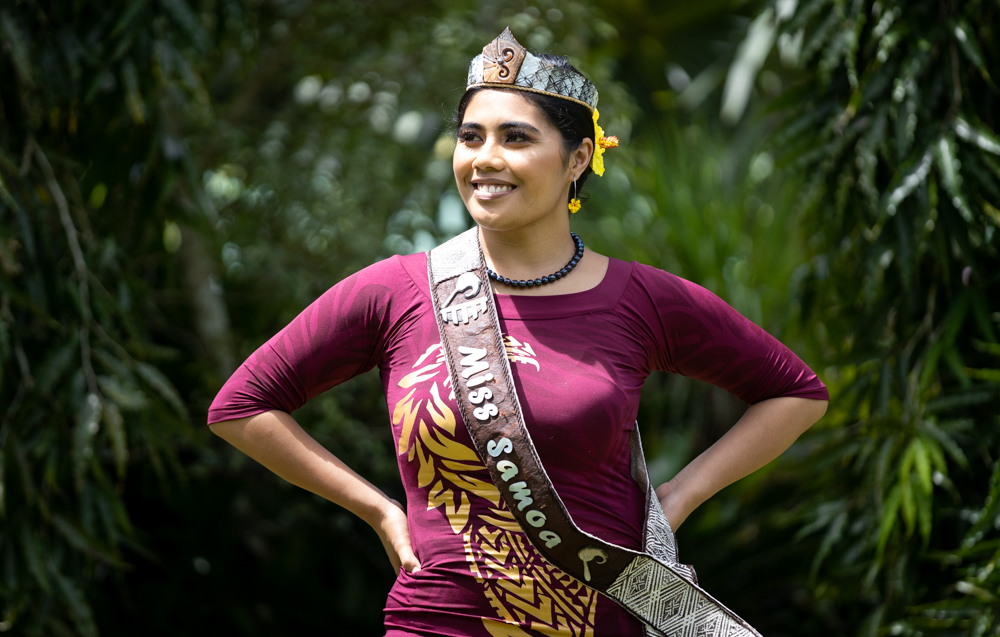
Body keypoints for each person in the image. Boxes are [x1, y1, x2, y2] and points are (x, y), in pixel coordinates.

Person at [208, 29, 829, 637]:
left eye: (516, 138)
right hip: (438, 622)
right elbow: (240, 407)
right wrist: (378, 510)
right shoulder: (393, 290)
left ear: (578, 159)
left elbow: (796, 393)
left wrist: (677, 497)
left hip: (600, 617)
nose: (485, 159)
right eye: (470, 137)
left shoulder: (642, 298)